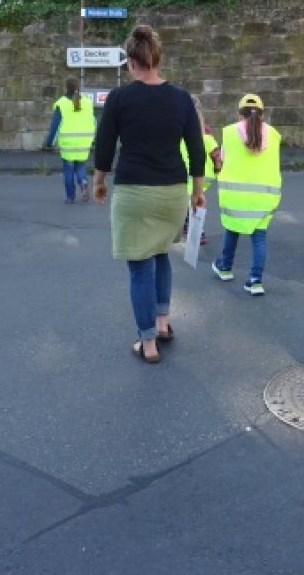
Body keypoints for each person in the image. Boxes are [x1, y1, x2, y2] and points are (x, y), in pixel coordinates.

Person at [93, 25, 206, 364]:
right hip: (172, 192)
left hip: (134, 192)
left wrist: (99, 180)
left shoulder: (120, 98)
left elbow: (105, 146)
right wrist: (197, 192)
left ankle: (149, 343)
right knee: (160, 255)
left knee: (139, 267)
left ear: (131, 62)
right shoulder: (181, 98)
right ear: (157, 59)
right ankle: (162, 324)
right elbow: (196, 149)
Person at [212, 94, 282, 296]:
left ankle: (225, 267)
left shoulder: (229, 132)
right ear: (262, 113)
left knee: (232, 230)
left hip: (235, 196)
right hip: (264, 197)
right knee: (259, 238)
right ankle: (255, 281)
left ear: (238, 113)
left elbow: (223, 159)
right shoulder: (273, 134)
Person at [45, 77, 97, 203]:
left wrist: (49, 142)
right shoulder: (87, 102)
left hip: (68, 143)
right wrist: (94, 139)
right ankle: (83, 182)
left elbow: (55, 126)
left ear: (65, 87)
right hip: (84, 142)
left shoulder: (61, 103)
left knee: (68, 170)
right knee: (80, 166)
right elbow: (94, 122)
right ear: (79, 87)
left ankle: (70, 197)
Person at [180, 94, 222, 244]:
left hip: (184, 175)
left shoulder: (179, 134)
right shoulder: (207, 137)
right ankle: (190, 226)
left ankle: (198, 233)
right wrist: (218, 170)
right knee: (196, 200)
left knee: (190, 201)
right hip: (204, 176)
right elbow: (217, 157)